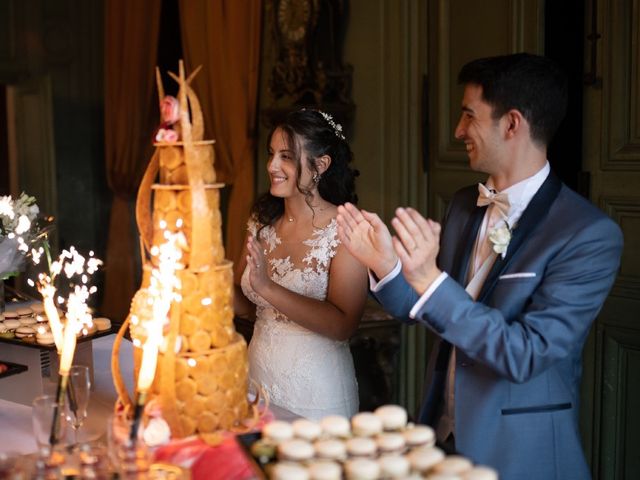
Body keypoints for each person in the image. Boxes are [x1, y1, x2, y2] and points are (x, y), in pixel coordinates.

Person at [336, 53, 623, 478]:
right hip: (441, 438)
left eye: (468, 115)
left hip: (521, 454)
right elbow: (428, 308)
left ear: (511, 124)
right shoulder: (462, 206)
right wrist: (387, 266)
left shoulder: (587, 235)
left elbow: (525, 354)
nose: (457, 130)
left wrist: (428, 278)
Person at [234, 108, 368, 420]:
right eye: (271, 154)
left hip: (316, 395)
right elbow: (244, 305)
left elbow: (343, 324)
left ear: (321, 165)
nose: (272, 166)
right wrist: (202, 272)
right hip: (257, 382)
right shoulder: (261, 221)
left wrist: (266, 286)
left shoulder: (346, 226)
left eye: (287, 157)